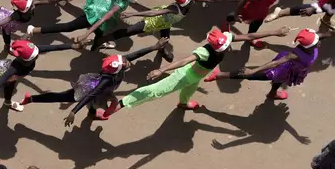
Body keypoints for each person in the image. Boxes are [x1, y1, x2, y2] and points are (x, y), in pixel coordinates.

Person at [94, 27, 290, 119]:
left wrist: (273, 32)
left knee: (190, 90)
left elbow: (248, 36)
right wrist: (161, 69)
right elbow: (185, 60)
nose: (225, 50)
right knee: (154, 91)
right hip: (185, 74)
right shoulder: (204, 51)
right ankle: (120, 103)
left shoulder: (226, 38)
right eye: (222, 49)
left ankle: (183, 103)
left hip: (197, 76)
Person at [21, 39, 167, 124]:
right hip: (89, 90)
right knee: (61, 96)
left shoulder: (117, 66)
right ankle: (31, 99)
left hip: (103, 92)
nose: (128, 62)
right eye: (125, 63)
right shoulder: (106, 80)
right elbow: (91, 95)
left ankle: (92, 115)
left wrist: (154, 47)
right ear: (117, 69)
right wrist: (73, 111)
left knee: (98, 103)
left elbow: (135, 55)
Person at [206, 26, 335, 100]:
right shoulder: (295, 54)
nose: (318, 42)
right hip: (281, 69)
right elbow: (276, 64)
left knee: (278, 83)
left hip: (294, 71)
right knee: (248, 75)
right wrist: (254, 71)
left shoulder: (312, 41)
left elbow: (331, 33)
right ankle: (219, 75)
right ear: (310, 45)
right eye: (316, 42)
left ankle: (273, 93)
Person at [25, 0, 178, 50]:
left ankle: (96, 45)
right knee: (69, 27)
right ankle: (34, 30)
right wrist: (86, 33)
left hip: (100, 7)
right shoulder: (121, 2)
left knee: (97, 33)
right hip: (98, 16)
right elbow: (104, 19)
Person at [97, 0, 241, 59]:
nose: (194, 0)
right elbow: (153, 13)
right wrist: (134, 13)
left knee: (165, 38)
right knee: (130, 31)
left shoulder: (189, 1)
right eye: (191, 0)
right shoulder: (174, 8)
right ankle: (103, 39)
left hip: (166, 23)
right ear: (184, 3)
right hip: (155, 21)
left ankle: (161, 48)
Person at [224, 0, 318, 49]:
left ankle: (251, 38)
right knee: (235, 17)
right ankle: (227, 22)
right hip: (249, 11)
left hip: (261, 13)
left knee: (255, 26)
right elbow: (243, 2)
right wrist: (237, 13)